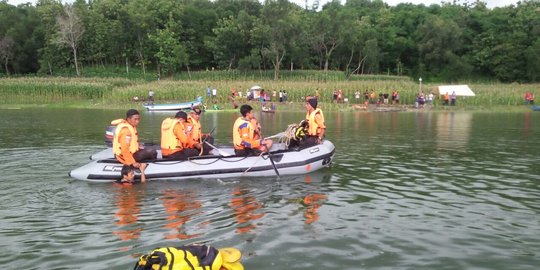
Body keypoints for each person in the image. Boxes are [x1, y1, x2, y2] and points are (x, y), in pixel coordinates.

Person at [111, 109, 155, 181]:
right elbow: (124, 149)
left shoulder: (130, 126)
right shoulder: (126, 131)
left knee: (147, 149)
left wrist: (137, 146)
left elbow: (131, 143)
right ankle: (150, 166)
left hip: (129, 153)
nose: (137, 121)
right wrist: (132, 162)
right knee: (152, 151)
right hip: (125, 156)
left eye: (138, 119)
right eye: (135, 119)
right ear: (129, 119)